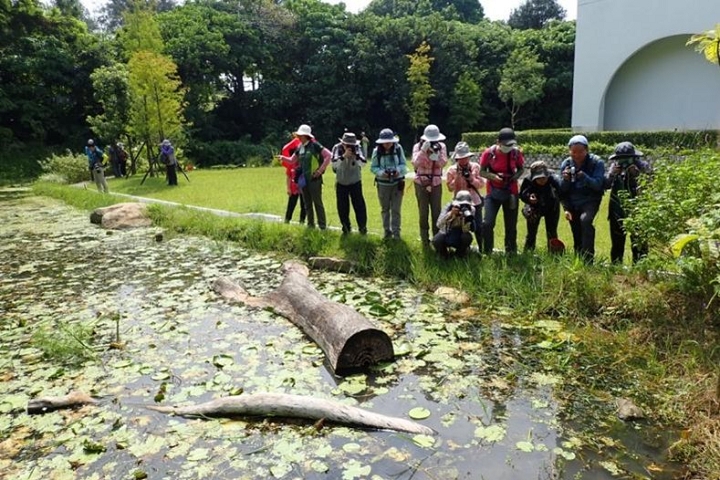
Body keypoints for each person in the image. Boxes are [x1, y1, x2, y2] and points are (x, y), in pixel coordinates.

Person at [558, 135, 605, 263]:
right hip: (572, 201)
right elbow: (561, 189)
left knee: (585, 221)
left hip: (590, 199)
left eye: (580, 152)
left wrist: (584, 177)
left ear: (587, 150)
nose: (577, 155)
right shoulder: (566, 163)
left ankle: (588, 259)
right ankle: (579, 257)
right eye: (573, 152)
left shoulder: (597, 162)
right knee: (575, 227)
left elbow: (598, 185)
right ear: (569, 151)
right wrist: (566, 179)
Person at [479, 127, 525, 254]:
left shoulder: (516, 153)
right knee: (487, 223)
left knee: (511, 225)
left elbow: (521, 169)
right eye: (506, 145)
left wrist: (514, 177)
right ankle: (487, 251)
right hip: (492, 192)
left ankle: (511, 252)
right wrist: (494, 177)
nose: (509, 147)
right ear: (498, 142)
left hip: (511, 192)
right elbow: (481, 172)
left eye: (511, 144)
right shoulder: (489, 153)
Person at [604, 141, 652, 264]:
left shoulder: (642, 165)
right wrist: (612, 174)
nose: (624, 163)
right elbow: (605, 184)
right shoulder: (614, 167)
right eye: (621, 160)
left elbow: (651, 182)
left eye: (627, 160)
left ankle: (640, 267)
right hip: (617, 208)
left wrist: (637, 175)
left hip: (638, 208)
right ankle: (616, 266)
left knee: (639, 241)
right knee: (617, 241)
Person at [278, 124, 332, 229]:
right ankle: (310, 225)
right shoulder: (300, 147)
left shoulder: (315, 145)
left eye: (300, 135)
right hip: (303, 180)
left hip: (314, 179)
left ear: (306, 136)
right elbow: (292, 160)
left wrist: (320, 170)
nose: (298, 137)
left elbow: (329, 155)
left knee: (317, 203)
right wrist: (282, 157)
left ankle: (322, 226)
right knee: (307, 204)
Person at [412, 124, 448, 245]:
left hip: (436, 183)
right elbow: (415, 163)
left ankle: (437, 239)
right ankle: (424, 239)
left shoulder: (441, 146)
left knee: (436, 211)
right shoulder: (417, 146)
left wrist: (434, 154)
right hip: (420, 183)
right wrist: (423, 151)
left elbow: (443, 163)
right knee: (423, 212)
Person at [445, 141, 485, 251]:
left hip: (475, 201)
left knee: (478, 226)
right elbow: (450, 188)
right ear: (457, 159)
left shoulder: (475, 167)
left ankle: (482, 249)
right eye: (461, 158)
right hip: (459, 203)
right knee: (460, 227)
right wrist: (457, 176)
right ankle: (462, 249)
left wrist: (471, 178)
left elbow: (481, 184)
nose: (464, 160)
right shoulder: (451, 170)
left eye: (466, 157)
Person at [370, 128, 407, 239]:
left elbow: (404, 164)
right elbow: (373, 167)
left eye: (389, 142)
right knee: (385, 209)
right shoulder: (376, 151)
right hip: (383, 185)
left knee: (396, 209)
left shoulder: (398, 149)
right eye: (385, 142)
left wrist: (397, 171)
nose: (387, 144)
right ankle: (387, 232)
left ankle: (396, 233)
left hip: (397, 184)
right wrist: (382, 173)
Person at [519, 161, 562, 252]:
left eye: (544, 178)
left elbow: (561, 192)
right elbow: (522, 194)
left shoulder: (553, 178)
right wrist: (529, 198)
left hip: (552, 206)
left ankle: (554, 254)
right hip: (534, 207)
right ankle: (528, 253)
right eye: (539, 178)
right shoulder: (528, 179)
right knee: (531, 233)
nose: (542, 180)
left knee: (552, 232)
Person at [331, 132, 368, 235]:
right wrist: (343, 156)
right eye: (346, 144)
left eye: (350, 145)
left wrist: (355, 156)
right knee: (342, 207)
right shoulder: (337, 148)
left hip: (355, 181)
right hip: (341, 182)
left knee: (359, 206)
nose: (349, 147)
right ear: (342, 143)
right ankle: (346, 228)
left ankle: (362, 228)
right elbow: (333, 164)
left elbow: (364, 164)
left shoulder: (357, 148)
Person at [433, 190, 476, 258]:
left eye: (466, 204)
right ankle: (443, 255)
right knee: (437, 240)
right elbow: (438, 224)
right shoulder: (448, 207)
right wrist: (450, 214)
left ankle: (459, 254)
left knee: (467, 237)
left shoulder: (471, 209)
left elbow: (467, 230)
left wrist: (464, 219)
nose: (463, 206)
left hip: (461, 233)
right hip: (447, 232)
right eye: (461, 205)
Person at [280, 136, 306, 224]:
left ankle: (302, 221)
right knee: (291, 204)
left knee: (304, 205)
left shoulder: (304, 165)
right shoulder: (291, 165)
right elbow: (288, 176)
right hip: (293, 188)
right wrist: (288, 188)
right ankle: (287, 219)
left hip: (303, 188)